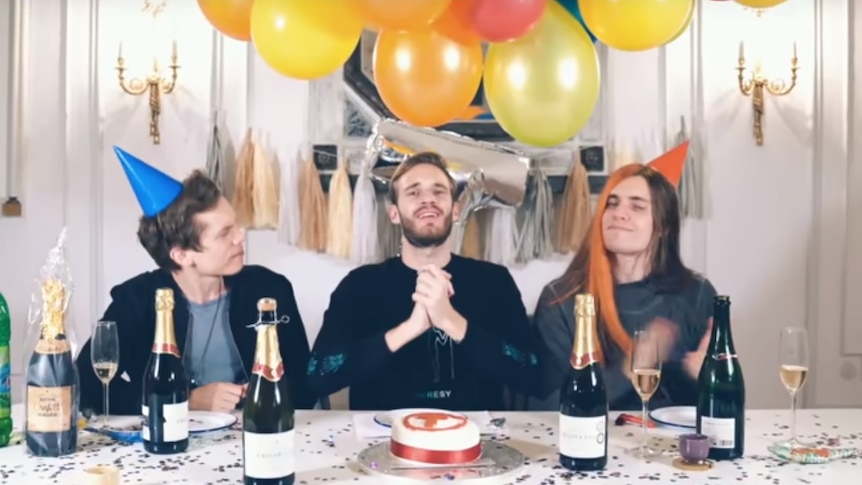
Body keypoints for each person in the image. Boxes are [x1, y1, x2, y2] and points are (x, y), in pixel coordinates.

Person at [76, 147, 317, 416]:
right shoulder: (136, 301)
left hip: (257, 435)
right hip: (167, 445)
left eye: (235, 226)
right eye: (225, 233)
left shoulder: (270, 290)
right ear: (182, 255)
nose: (240, 237)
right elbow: (85, 386)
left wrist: (264, 394)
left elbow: (306, 386)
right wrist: (186, 400)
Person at [307, 152, 540, 411]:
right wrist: (410, 328)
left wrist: (450, 320)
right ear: (394, 213)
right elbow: (317, 377)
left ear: (456, 210)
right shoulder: (360, 285)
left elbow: (533, 376)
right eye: (413, 192)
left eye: (438, 191)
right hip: (383, 442)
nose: (428, 199)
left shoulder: (494, 282)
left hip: (475, 442)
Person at [529, 142, 717, 411]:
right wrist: (634, 367)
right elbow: (550, 407)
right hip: (593, 444)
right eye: (612, 204)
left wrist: (709, 380)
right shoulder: (561, 300)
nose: (619, 214)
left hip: (674, 448)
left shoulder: (697, 294)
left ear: (663, 226)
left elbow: (719, 408)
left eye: (637, 207)